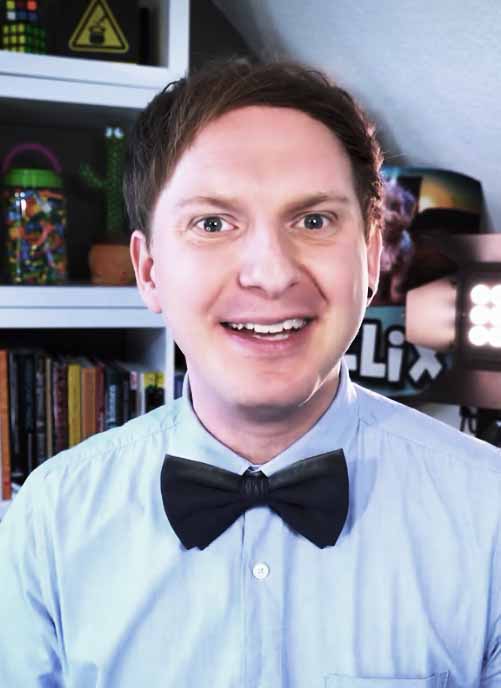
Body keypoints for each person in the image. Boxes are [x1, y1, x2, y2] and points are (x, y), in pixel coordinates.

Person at [0, 58, 499, 688]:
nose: (270, 274)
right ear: (149, 271)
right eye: (212, 224)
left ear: (371, 256)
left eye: (314, 221)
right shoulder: (49, 521)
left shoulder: (490, 513)